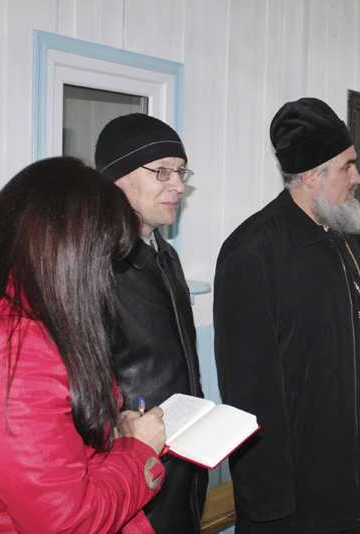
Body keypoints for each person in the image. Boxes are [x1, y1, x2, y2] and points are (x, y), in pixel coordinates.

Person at [213, 97, 360, 533]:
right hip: (305, 479)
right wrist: (268, 495)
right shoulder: (254, 250)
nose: (357, 177)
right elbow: (249, 389)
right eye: (347, 166)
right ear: (312, 175)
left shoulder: (353, 232)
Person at [0, 157, 167, 533]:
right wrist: (139, 452)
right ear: (72, 257)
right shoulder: (12, 354)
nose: (105, 279)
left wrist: (110, 432)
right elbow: (66, 522)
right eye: (104, 262)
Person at [95, 113, 207, 533]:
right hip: (132, 478)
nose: (177, 185)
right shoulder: (96, 266)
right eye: (161, 171)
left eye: (181, 172)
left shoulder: (166, 256)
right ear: (117, 179)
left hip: (183, 471)